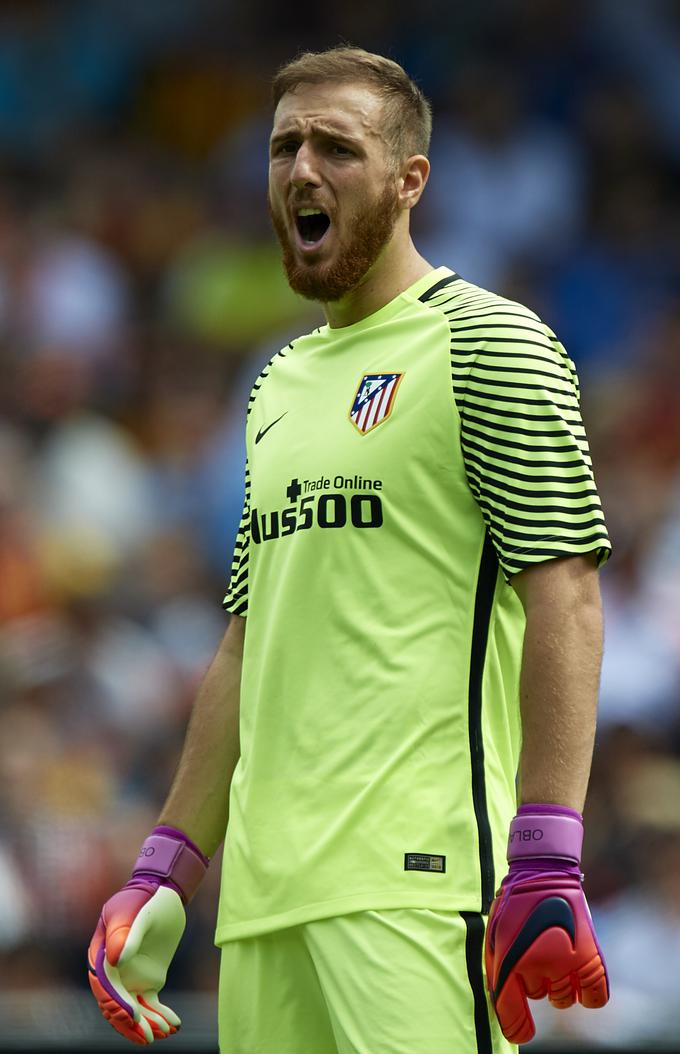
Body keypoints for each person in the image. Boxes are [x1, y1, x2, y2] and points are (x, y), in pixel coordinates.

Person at [88, 46, 611, 1053]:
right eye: (283, 147)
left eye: (337, 146)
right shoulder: (275, 384)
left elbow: (566, 594)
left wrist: (546, 854)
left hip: (415, 883)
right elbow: (247, 644)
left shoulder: (486, 341)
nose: (300, 170)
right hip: (266, 906)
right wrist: (166, 865)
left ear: (409, 179)